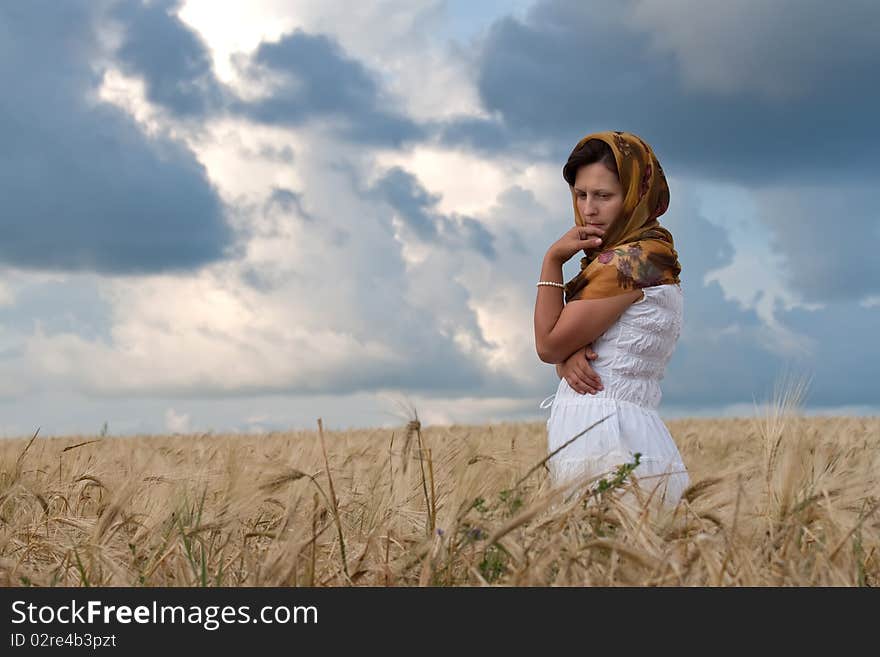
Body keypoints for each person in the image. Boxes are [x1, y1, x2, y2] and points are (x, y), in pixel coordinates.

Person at [533, 130, 689, 507]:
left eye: (604, 196)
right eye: (581, 195)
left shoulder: (629, 262)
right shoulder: (649, 256)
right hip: (614, 429)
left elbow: (548, 345)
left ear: (636, 194)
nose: (589, 209)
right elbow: (603, 355)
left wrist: (552, 259)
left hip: (606, 436)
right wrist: (566, 360)